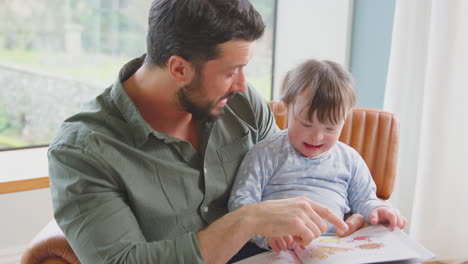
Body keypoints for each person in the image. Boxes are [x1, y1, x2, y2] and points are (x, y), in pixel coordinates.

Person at [48, 1, 364, 263]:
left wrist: (353, 211)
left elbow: (288, 176)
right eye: (230, 72)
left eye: (244, 69)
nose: (242, 84)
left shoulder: (239, 101)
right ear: (179, 69)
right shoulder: (82, 151)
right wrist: (246, 221)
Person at [228, 59, 407, 253]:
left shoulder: (349, 160)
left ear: (345, 119)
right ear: (286, 107)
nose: (317, 137)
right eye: (306, 124)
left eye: (330, 128)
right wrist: (265, 234)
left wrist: (377, 210)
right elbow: (241, 204)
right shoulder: (266, 153)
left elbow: (365, 199)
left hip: (331, 249)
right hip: (274, 250)